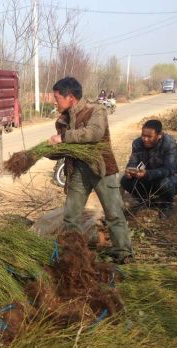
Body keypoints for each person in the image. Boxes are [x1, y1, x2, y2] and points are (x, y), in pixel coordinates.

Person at [48, 77, 133, 264]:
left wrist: (63, 138)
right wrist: (47, 151)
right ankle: (75, 254)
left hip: (101, 169)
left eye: (57, 97)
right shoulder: (62, 120)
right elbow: (65, 148)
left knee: (113, 213)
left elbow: (94, 133)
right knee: (71, 217)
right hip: (77, 172)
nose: (55, 102)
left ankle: (123, 253)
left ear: (70, 97)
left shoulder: (97, 110)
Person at [121, 119, 177, 219]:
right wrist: (129, 171)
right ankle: (146, 201)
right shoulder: (137, 143)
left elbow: (169, 170)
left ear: (159, 135)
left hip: (174, 178)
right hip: (148, 177)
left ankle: (167, 205)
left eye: (149, 136)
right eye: (143, 135)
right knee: (125, 181)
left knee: (164, 183)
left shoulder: (170, 144)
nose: (145, 139)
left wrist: (147, 174)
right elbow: (132, 163)